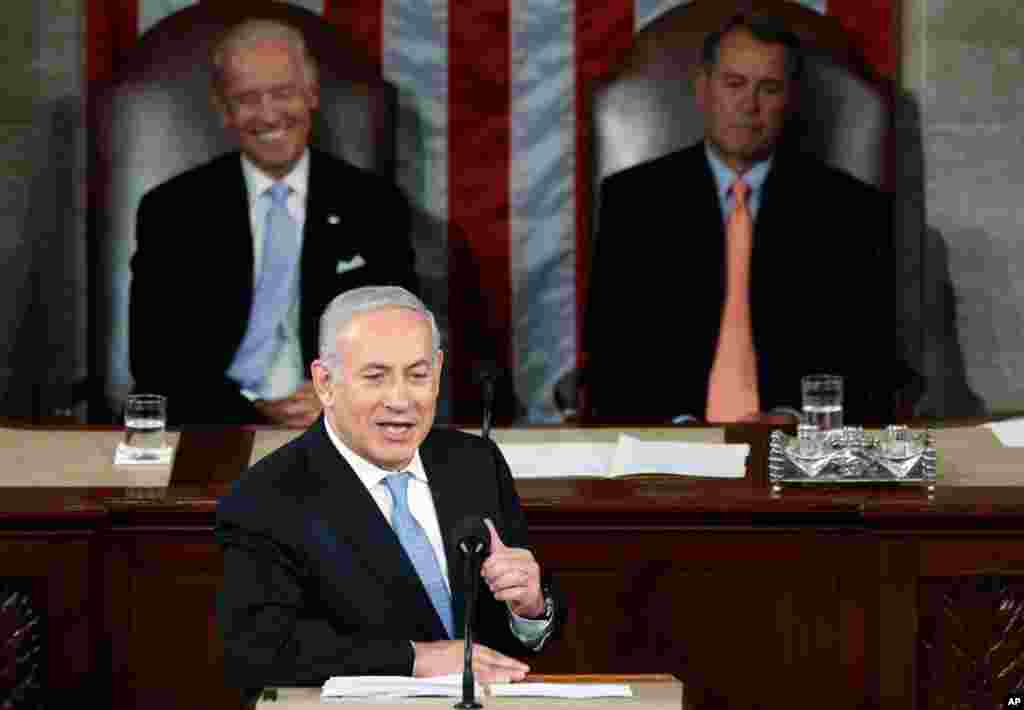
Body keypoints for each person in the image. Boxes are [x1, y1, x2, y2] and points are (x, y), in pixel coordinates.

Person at [216, 286, 565, 696]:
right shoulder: (265, 498)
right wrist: (415, 659)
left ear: (437, 374)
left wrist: (530, 608)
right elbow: (260, 654)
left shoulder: (475, 463)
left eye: (417, 376)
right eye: (375, 377)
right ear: (325, 383)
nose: (400, 400)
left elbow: (523, 634)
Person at [585, 13, 912, 424]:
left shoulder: (851, 211)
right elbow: (610, 355)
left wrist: (795, 417)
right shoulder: (634, 202)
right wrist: (677, 430)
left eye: (769, 88)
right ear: (704, 89)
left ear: (789, 100)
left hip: (793, 449)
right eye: (734, 83)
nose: (749, 105)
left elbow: (868, 361)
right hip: (666, 449)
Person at [130, 18, 418, 427]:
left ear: (312, 94)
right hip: (212, 427)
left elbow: (399, 341)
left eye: (283, 93)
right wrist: (251, 412)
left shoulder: (375, 206)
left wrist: (339, 399)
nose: (268, 115)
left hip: (341, 428)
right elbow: (156, 361)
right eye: (246, 99)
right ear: (223, 109)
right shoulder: (172, 211)